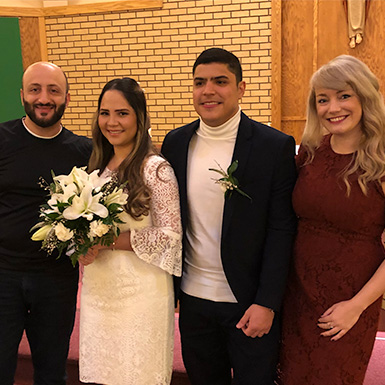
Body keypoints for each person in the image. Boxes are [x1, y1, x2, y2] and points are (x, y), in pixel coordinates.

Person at [161, 48, 297, 385]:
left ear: (241, 88)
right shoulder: (176, 143)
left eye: (220, 81)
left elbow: (282, 229)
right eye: (199, 82)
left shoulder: (273, 146)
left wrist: (267, 302)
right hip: (192, 301)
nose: (208, 91)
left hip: (248, 302)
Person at [277, 55, 385, 385]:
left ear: (365, 97)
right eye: (323, 99)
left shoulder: (381, 161)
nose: (332, 107)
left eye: (344, 96)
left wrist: (356, 306)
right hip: (296, 294)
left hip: (349, 300)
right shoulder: (310, 152)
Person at [78, 77, 182, 385]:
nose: (112, 122)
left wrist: (107, 240)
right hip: (99, 290)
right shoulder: (97, 167)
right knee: (103, 373)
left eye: (122, 113)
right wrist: (81, 244)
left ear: (139, 116)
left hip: (141, 293)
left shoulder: (156, 169)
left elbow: (170, 236)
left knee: (136, 374)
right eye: (105, 113)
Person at [0, 62, 92, 385]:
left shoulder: (85, 151)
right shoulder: (2, 139)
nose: (44, 97)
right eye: (36, 89)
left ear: (66, 97)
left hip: (56, 279)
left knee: (52, 372)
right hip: (3, 276)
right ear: (22, 94)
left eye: (53, 90)